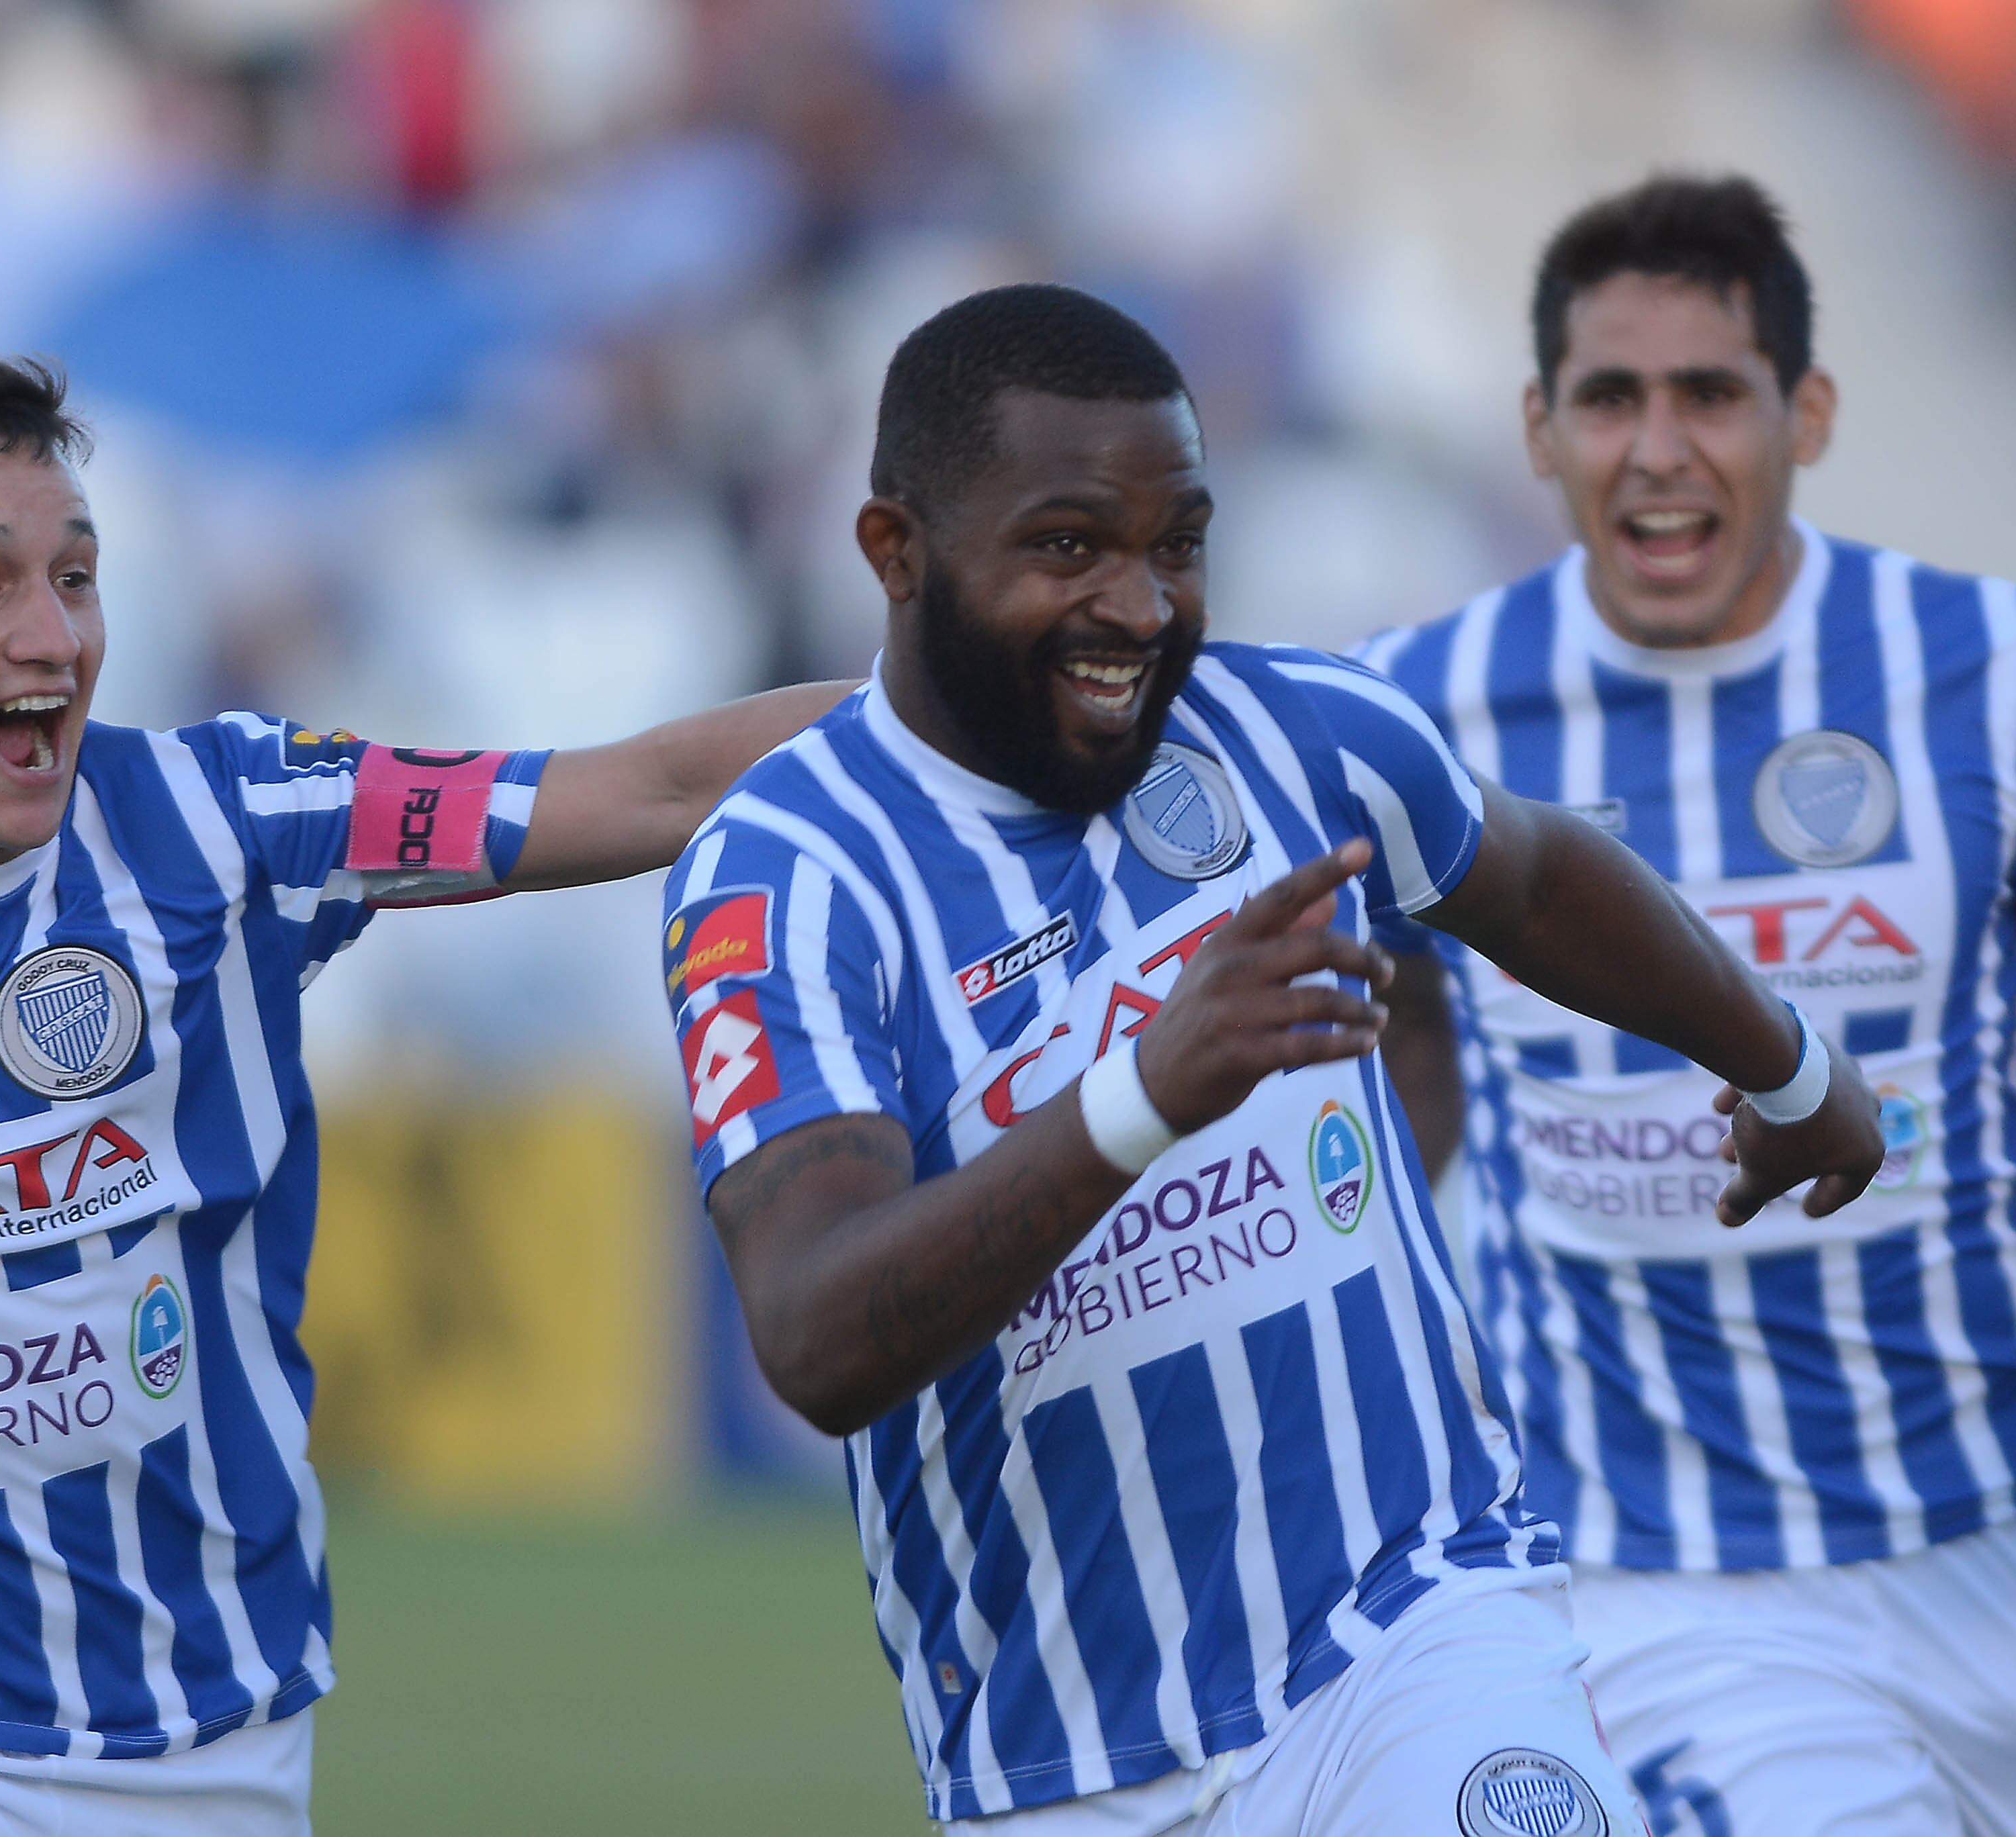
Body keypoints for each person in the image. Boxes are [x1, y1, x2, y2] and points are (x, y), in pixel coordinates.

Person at [666, 281, 1884, 1835]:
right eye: (1066, 548)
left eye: (1175, 544)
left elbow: (1523, 873)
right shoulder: (787, 873)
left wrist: (1786, 1066)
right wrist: (1141, 1096)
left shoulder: (1289, 735)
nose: (1140, 605)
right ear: (895, 554)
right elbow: (814, 1336)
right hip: (1063, 1754)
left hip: (1413, 1621)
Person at [0, 345, 847, 1836]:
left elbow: (652, 789)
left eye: (78, 577)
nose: (50, 635)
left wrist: (1017, 694)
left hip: (206, 1742)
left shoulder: (224, 823)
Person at [1358, 175, 2016, 1837]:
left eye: (1710, 391)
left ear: (1807, 414)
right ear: (1537, 429)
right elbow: (1402, 1069)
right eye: (1609, 398)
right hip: (1650, 1573)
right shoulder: (1421, 712)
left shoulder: (2004, 673)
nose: (1658, 445)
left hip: (2010, 1545)